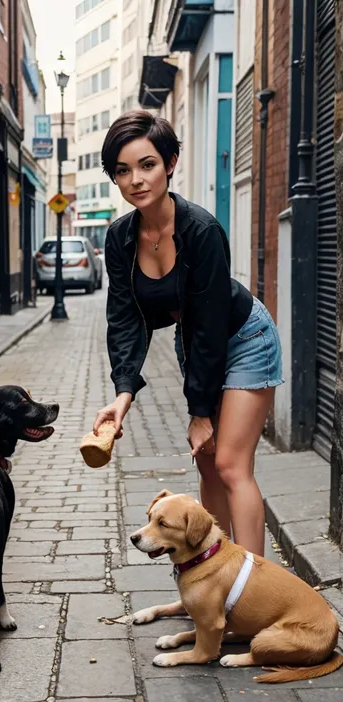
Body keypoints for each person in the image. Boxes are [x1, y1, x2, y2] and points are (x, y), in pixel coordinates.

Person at [93, 110, 284, 556]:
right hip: (196, 340)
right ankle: (212, 573)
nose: (136, 179)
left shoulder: (201, 231)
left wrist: (200, 412)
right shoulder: (120, 237)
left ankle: (250, 590)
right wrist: (123, 395)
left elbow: (213, 326)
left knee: (231, 464)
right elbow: (124, 318)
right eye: (122, 170)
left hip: (243, 337)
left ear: (170, 163)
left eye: (147, 164)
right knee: (206, 462)